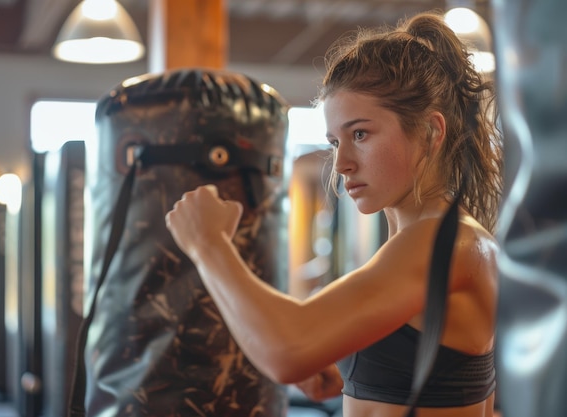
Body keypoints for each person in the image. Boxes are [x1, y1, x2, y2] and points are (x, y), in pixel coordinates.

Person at [165, 10, 502, 417]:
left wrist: (207, 244)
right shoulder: (434, 239)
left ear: (430, 132)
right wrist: (350, 363)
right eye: (334, 141)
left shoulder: (442, 241)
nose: (341, 163)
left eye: (360, 134)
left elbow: (286, 351)